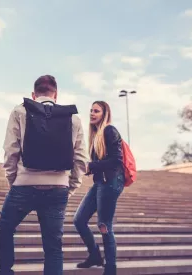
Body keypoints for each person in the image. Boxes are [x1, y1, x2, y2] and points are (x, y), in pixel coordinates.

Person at [0, 75, 88, 275]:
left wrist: (15, 181)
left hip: (24, 186)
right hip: (58, 189)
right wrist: (69, 187)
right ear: (55, 95)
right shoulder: (73, 118)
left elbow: (10, 151)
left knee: (5, 228)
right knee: (53, 246)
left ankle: (5, 271)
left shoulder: (20, 111)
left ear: (33, 94)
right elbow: (81, 159)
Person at [74, 101, 125, 275]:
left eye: (96, 111)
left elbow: (117, 160)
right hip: (100, 182)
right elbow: (101, 163)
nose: (92, 113)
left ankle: (111, 268)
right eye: (91, 110)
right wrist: (90, 169)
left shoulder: (109, 131)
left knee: (104, 225)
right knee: (79, 219)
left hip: (111, 182)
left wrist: (92, 166)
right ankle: (95, 255)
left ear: (104, 114)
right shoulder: (96, 135)